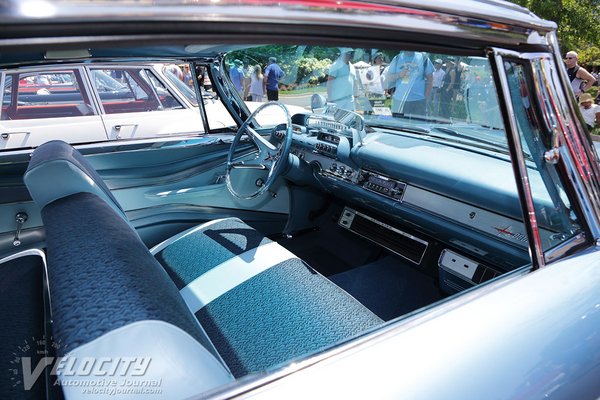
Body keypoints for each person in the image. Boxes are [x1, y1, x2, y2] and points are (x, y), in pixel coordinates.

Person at [385, 50, 433, 116]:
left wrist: (426, 96)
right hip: (399, 100)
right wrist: (399, 74)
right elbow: (389, 77)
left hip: (418, 100)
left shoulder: (424, 58)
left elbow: (430, 78)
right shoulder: (397, 58)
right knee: (398, 125)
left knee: (418, 125)